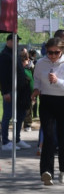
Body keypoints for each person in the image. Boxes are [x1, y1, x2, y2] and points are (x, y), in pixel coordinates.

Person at [33, 36, 64, 186]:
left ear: (61, 51)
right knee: (49, 137)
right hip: (46, 102)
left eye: (55, 52)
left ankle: (63, 170)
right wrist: (36, 90)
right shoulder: (40, 63)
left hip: (62, 101)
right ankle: (47, 171)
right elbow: (37, 80)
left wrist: (57, 81)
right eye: (49, 52)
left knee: (62, 137)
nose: (52, 55)